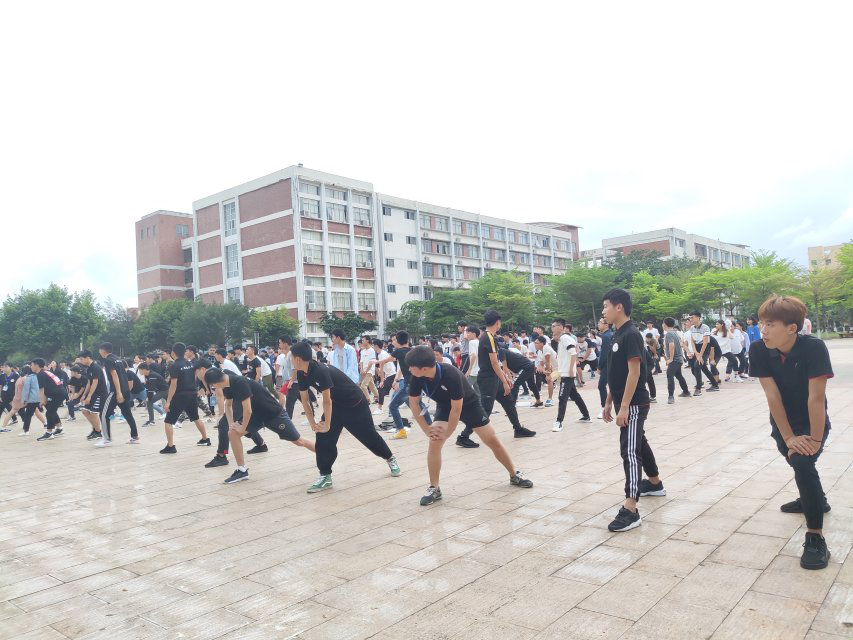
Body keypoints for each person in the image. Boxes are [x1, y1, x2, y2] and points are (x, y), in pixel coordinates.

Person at [750, 295, 833, 570]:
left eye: (770, 324)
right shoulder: (759, 349)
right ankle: (815, 499)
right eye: (761, 323)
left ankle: (815, 537)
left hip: (812, 421)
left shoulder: (814, 348)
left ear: (792, 328)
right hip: (782, 423)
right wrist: (787, 437)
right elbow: (772, 396)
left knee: (802, 463)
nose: (763, 330)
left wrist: (815, 439)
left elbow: (816, 398)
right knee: (797, 462)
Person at [405, 346, 533, 505]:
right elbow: (414, 403)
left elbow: (457, 408)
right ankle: (434, 488)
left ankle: (514, 474)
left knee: (492, 440)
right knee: (434, 443)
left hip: (469, 405)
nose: (409, 369)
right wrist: (427, 429)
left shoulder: (450, 374)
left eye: (411, 367)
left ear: (424, 368)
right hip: (444, 406)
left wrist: (448, 432)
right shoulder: (417, 376)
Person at [290, 341, 401, 493]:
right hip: (336, 406)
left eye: (291, 357)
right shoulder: (301, 373)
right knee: (323, 438)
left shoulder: (321, 370)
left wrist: (327, 424)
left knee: (369, 436)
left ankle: (390, 458)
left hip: (355, 404)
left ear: (297, 359)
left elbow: (326, 401)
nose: (290, 360)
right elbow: (304, 400)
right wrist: (313, 424)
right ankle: (325, 476)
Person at [601, 288, 665, 532]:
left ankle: (631, 508)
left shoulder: (631, 334)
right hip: (623, 401)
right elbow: (615, 373)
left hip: (635, 402)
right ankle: (655, 483)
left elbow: (635, 372)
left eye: (606, 306)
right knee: (639, 442)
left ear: (619, 307)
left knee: (629, 450)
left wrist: (625, 406)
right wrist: (610, 401)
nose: (604, 311)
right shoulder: (617, 335)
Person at [202, 366, 314, 482]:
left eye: (212, 386)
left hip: (273, 415)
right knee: (233, 433)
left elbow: (247, 410)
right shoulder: (227, 384)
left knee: (299, 441)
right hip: (257, 416)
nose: (213, 388)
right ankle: (242, 470)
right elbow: (228, 405)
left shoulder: (239, 382)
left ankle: (322, 453)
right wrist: (232, 424)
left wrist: (243, 428)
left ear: (216, 383)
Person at [379, 331, 432, 440]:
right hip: (417, 382)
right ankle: (431, 426)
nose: (393, 342)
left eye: (394, 340)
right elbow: (402, 368)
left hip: (409, 385)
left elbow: (385, 360)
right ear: (408, 340)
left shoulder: (398, 352)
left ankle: (401, 431)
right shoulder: (412, 351)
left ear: (398, 341)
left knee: (393, 406)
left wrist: (375, 363)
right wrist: (397, 380)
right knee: (419, 405)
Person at [161, 342, 210, 454]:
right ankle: (205, 439)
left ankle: (170, 446)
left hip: (180, 395)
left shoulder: (174, 366)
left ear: (173, 353)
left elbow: (173, 385)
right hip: (192, 394)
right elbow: (197, 377)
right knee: (196, 417)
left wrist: (168, 401)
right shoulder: (191, 364)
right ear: (184, 352)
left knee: (168, 421)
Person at [551, 318, 591, 431]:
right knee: (575, 396)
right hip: (564, 372)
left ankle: (559, 422)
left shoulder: (565, 338)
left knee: (562, 397)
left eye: (554, 326)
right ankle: (586, 416)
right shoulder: (563, 339)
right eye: (552, 326)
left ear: (561, 327)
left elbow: (573, 353)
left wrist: (570, 370)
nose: (552, 328)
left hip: (567, 373)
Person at [97, 343, 140, 445]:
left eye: (100, 350)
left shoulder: (108, 360)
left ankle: (107, 439)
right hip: (125, 390)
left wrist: (118, 392)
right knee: (127, 414)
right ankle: (135, 437)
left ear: (103, 350)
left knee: (103, 414)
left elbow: (114, 375)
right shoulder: (118, 359)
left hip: (116, 391)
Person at [30, 358, 67, 441]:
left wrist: (42, 401)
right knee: (51, 410)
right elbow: (46, 388)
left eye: (32, 365)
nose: (31, 367)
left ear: (36, 365)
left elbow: (41, 389)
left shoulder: (41, 374)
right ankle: (59, 428)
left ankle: (49, 433)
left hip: (58, 394)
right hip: (57, 393)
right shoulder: (44, 372)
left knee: (49, 412)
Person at [688, 312, 720, 394]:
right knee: (704, 368)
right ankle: (715, 385)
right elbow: (692, 341)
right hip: (697, 349)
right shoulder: (692, 328)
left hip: (704, 349)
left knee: (697, 366)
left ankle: (698, 389)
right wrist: (696, 353)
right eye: (690, 317)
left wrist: (700, 355)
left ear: (698, 317)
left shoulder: (705, 327)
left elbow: (705, 342)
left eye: (692, 317)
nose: (690, 319)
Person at [662, 317, 691, 403]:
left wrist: (670, 359)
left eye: (663, 323)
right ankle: (686, 392)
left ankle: (671, 397)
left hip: (675, 359)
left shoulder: (669, 334)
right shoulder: (675, 333)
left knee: (669, 375)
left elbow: (671, 345)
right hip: (679, 359)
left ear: (665, 324)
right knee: (678, 375)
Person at [596, 318, 614, 419]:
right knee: (612, 385)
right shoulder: (610, 334)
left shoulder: (606, 336)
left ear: (606, 325)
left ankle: (604, 408)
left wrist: (599, 366)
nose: (598, 324)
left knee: (601, 385)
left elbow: (604, 354)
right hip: (612, 364)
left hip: (607, 365)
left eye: (600, 323)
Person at [358, 336, 381, 412]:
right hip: (363, 371)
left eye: (363, 340)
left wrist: (366, 370)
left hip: (370, 371)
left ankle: (368, 401)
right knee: (372, 386)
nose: (362, 341)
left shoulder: (372, 350)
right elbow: (361, 361)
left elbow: (372, 362)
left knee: (363, 386)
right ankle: (379, 397)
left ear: (367, 341)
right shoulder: (362, 351)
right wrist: (361, 370)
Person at [533, 335, 556, 407]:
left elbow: (548, 361)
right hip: (552, 368)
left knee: (549, 379)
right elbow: (542, 364)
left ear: (542, 343)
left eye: (537, 343)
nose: (535, 344)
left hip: (558, 368)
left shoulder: (546, 348)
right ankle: (550, 398)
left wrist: (548, 374)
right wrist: (542, 370)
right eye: (534, 343)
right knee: (548, 379)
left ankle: (550, 399)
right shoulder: (539, 351)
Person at [643, 334, 658, 403]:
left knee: (647, 379)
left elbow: (654, 349)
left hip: (648, 364)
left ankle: (652, 397)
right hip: (644, 365)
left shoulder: (642, 348)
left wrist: (655, 355)